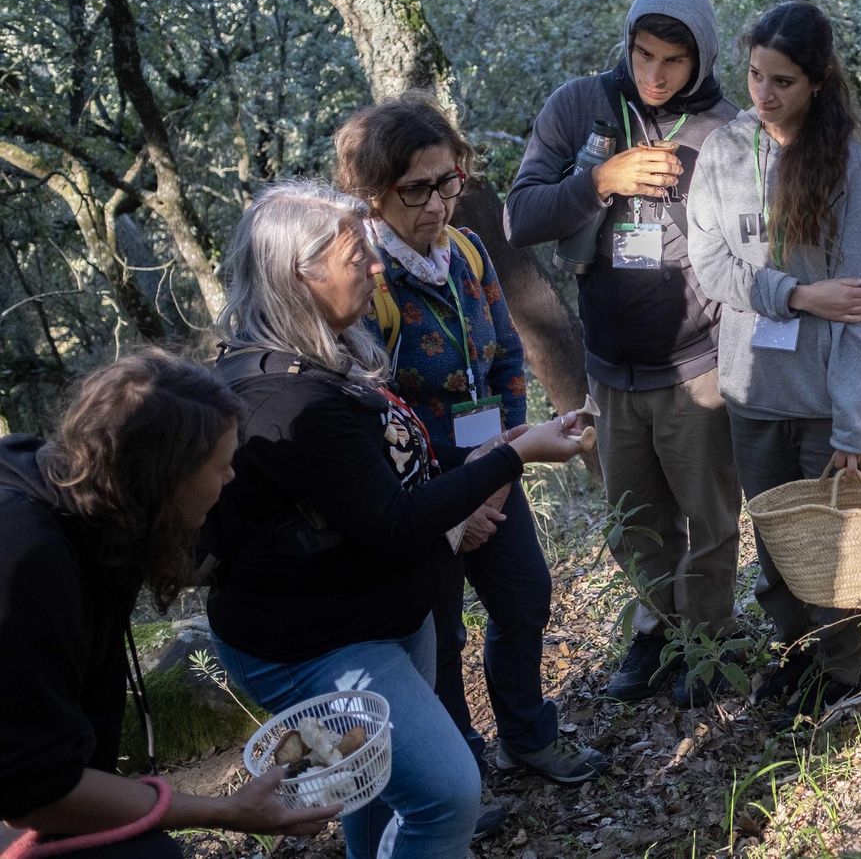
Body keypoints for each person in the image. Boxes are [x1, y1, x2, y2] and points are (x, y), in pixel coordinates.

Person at [204, 179, 592, 859]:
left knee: (381, 793)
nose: (377, 269)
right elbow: (394, 517)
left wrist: (496, 446)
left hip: (378, 617)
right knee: (445, 791)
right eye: (360, 258)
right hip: (320, 641)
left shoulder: (326, 356)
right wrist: (511, 459)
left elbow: (381, 464)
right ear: (302, 274)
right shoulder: (283, 398)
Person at [332, 94, 608, 792]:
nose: (435, 204)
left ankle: (526, 733)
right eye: (414, 189)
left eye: (447, 181)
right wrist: (450, 505)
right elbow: (367, 407)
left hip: (494, 466)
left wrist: (504, 467)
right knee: (438, 636)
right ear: (373, 193)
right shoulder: (364, 280)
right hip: (414, 499)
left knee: (524, 597)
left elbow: (506, 359)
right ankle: (461, 766)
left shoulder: (466, 251)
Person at [505, 0, 743, 708]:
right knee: (632, 520)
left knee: (709, 518)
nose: (655, 75)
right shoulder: (583, 105)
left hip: (697, 362)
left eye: (673, 61)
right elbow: (520, 216)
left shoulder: (724, 127)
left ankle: (708, 640)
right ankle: (659, 631)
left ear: (700, 57)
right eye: (643, 55)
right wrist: (600, 179)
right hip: (610, 365)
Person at [0, 350, 339, 858]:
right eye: (221, 466)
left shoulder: (83, 497)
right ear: (165, 479)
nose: (230, 480)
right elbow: (36, 790)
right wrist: (228, 811)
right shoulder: (27, 558)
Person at [686, 1, 861, 718]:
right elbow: (710, 266)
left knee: (836, 546)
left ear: (817, 82)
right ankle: (799, 654)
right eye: (754, 76)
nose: (764, 95)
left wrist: (855, 423)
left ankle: (845, 671)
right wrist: (797, 293)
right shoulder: (723, 152)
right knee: (776, 544)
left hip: (827, 396)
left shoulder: (847, 164)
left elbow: (856, 302)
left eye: (782, 82)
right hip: (753, 389)